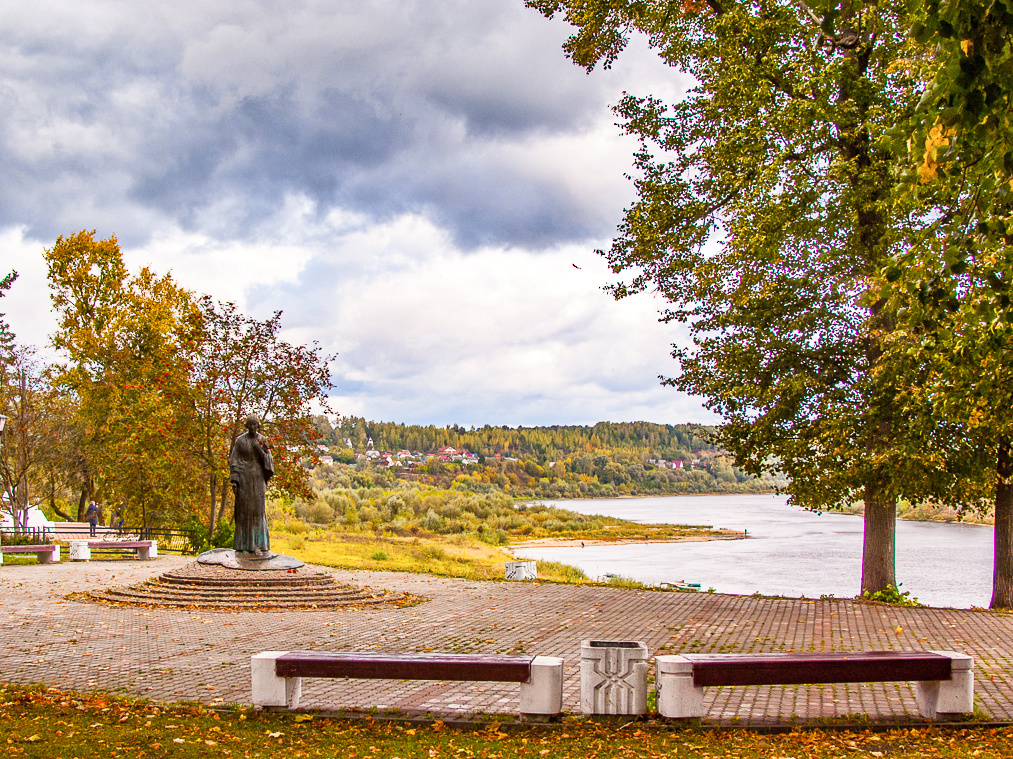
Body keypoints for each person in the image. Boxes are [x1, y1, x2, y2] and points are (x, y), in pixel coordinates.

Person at [229, 414, 274, 557]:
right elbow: (234, 460)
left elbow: (268, 461)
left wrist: (259, 450)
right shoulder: (240, 441)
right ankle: (242, 545)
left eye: (255, 425)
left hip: (258, 480)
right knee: (243, 511)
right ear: (247, 426)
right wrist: (234, 480)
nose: (253, 427)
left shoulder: (262, 440)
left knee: (257, 511)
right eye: (251, 425)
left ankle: (258, 545)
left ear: (258, 426)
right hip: (244, 479)